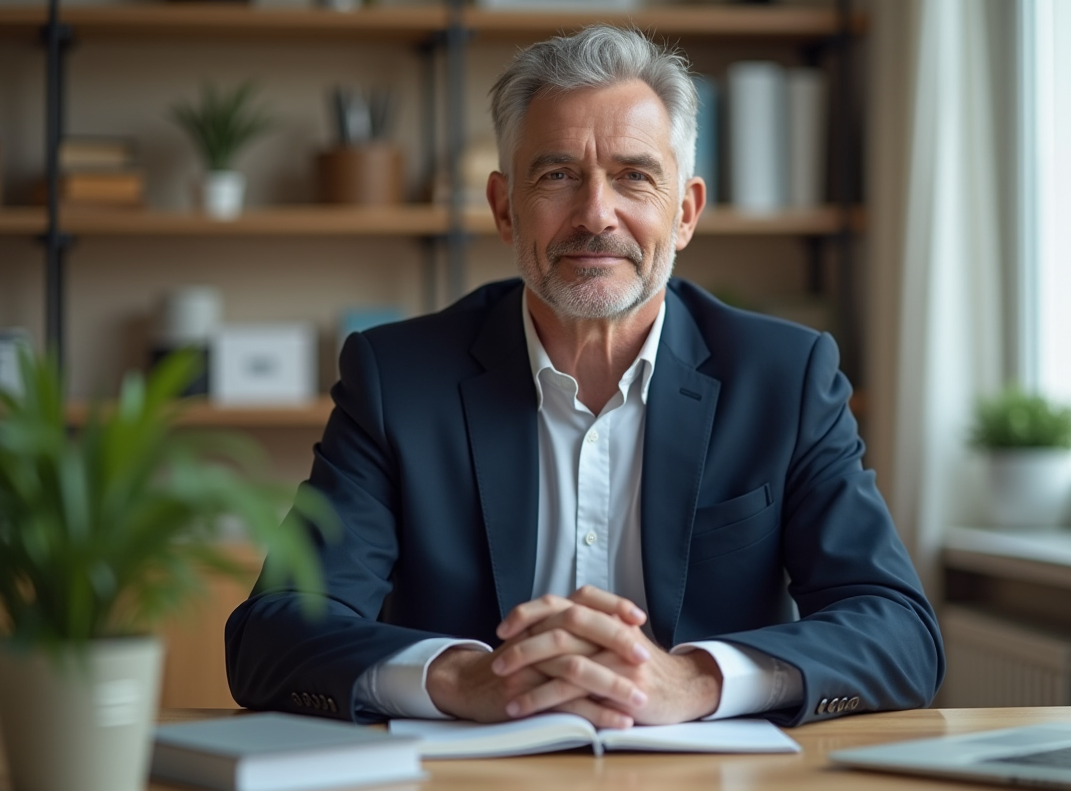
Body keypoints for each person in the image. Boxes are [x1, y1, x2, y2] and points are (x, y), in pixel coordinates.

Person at [225, 24, 944, 730]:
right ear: (505, 209)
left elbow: (899, 630)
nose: (596, 215)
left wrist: (693, 679)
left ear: (686, 212)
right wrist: (462, 677)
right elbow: (272, 634)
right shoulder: (399, 379)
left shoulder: (784, 377)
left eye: (634, 175)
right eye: (558, 175)